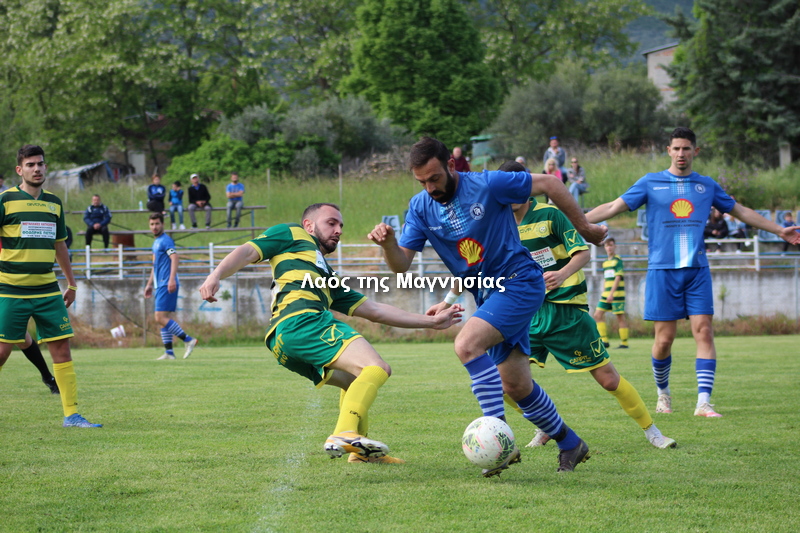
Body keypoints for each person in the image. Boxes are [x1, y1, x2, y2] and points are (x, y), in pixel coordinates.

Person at [368, 137, 607, 476]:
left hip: (520, 282)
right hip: (488, 295)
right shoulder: (420, 207)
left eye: (435, 178)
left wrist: (585, 228)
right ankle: (571, 443)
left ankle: (498, 443)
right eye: (422, 181)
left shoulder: (489, 184)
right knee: (516, 386)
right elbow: (400, 266)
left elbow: (551, 184)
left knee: (466, 344)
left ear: (451, 165)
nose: (430, 187)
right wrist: (389, 244)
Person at [198, 203, 463, 464]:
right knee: (376, 368)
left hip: (282, 341)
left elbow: (374, 310)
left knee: (354, 380)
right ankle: (344, 433)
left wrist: (431, 322)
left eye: (341, 225)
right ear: (308, 225)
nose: (338, 230)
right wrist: (215, 275)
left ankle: (361, 454)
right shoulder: (291, 233)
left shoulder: (326, 274)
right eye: (331, 223)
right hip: (303, 321)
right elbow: (247, 251)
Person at [586, 127, 800, 418]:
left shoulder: (706, 185)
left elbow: (741, 212)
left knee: (705, 331)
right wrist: (576, 221)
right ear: (668, 151)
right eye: (676, 148)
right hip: (662, 270)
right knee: (664, 340)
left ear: (695, 151)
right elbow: (613, 206)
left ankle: (703, 403)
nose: (681, 154)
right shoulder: (650, 182)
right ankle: (663, 394)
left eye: (686, 148)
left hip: (697, 270)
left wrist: (779, 230)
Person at [499, 160, 674, 450]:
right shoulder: (499, 224)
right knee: (504, 384)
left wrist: (561, 274)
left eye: (518, 185)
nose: (512, 193)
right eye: (505, 188)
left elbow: (583, 253)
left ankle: (653, 432)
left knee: (608, 380)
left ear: (528, 186)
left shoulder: (551, 215)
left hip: (566, 312)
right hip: (526, 313)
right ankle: (547, 425)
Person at [0, 144, 101, 428]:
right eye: (30, 165)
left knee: (62, 351)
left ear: (46, 167)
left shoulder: (54, 203)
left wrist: (72, 283)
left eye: (40, 164)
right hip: (10, 289)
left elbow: (60, 246)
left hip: (47, 290)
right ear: (20, 170)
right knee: (2, 352)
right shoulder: (5, 200)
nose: (37, 169)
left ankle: (72, 415)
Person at [144, 213, 198, 360]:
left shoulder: (166, 240)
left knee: (159, 317)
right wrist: (149, 284)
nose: (154, 227)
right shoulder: (156, 242)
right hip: (159, 284)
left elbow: (174, 257)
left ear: (163, 224)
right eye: (152, 224)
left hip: (166, 283)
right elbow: (155, 266)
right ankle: (169, 352)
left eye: (157, 223)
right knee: (163, 318)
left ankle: (188, 340)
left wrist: (171, 279)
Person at [593, 238, 629, 349]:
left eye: (611, 245)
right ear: (604, 247)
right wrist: (605, 291)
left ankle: (624, 343)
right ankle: (604, 341)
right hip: (606, 294)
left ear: (615, 246)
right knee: (597, 315)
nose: (609, 248)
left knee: (620, 317)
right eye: (607, 246)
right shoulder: (605, 262)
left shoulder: (618, 260)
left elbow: (618, 277)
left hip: (617, 294)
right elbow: (606, 278)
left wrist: (612, 293)